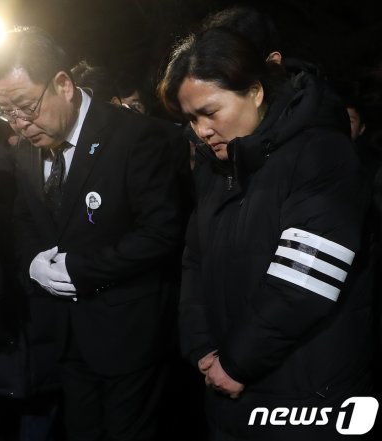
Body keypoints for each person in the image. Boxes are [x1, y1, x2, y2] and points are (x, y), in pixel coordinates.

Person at [158, 28, 373, 440]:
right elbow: (194, 261)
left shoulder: (321, 154)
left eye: (210, 112)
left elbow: (305, 281)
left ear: (255, 91)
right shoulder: (214, 166)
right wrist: (201, 346)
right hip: (226, 383)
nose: (201, 131)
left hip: (306, 394)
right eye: (190, 119)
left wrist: (238, 363)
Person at [0, 27, 183, 441]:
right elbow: (24, 219)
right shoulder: (25, 149)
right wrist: (35, 263)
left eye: (26, 106)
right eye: (6, 112)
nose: (20, 124)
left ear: (63, 85)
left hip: (127, 336)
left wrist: (82, 270)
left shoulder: (133, 136)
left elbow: (162, 232)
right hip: (65, 337)